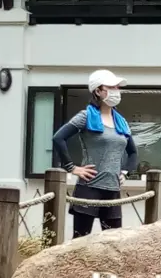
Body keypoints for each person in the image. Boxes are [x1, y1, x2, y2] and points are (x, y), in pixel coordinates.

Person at [52, 69, 138, 238]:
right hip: (89, 188)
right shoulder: (86, 117)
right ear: (97, 91)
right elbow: (58, 138)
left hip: (113, 189)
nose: (116, 91)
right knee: (80, 241)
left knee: (114, 242)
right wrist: (72, 168)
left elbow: (133, 153)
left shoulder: (121, 122)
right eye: (111, 87)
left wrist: (126, 172)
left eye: (118, 87)